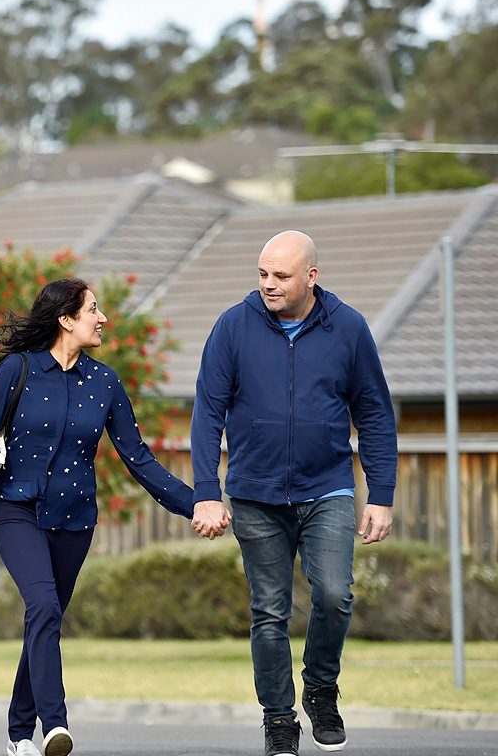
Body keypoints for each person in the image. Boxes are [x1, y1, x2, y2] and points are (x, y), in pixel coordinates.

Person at [0, 278, 229, 756]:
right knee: (44, 607)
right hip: (17, 511)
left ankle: (19, 735)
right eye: (94, 310)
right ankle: (55, 727)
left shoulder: (105, 382)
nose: (103, 319)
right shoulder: (17, 371)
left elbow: (138, 458)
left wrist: (197, 501)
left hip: (75, 521)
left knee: (45, 619)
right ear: (66, 319)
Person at [190, 231, 397, 756]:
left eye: (280, 276)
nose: (268, 285)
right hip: (256, 495)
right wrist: (207, 493)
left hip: (326, 487)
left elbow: (374, 413)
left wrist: (381, 493)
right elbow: (207, 414)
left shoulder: (347, 328)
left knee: (334, 594)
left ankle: (321, 688)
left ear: (311, 276)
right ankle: (279, 718)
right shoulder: (233, 327)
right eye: (262, 274)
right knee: (269, 611)